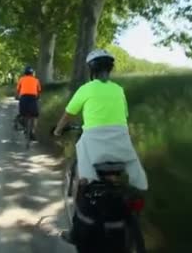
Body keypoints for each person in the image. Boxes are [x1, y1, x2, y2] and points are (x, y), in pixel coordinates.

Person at [52, 48, 148, 245]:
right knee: (121, 181)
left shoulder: (86, 89)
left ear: (91, 70)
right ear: (110, 70)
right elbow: (123, 118)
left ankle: (76, 232)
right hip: (120, 141)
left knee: (84, 182)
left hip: (93, 143)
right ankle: (128, 220)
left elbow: (68, 114)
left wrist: (57, 130)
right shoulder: (119, 90)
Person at [16, 66, 42, 140]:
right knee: (35, 115)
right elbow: (39, 91)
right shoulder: (36, 80)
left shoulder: (21, 79)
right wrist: (38, 98)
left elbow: (18, 90)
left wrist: (17, 97)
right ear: (32, 73)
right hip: (33, 98)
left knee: (22, 113)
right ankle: (33, 131)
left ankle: (24, 126)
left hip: (23, 98)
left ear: (25, 73)